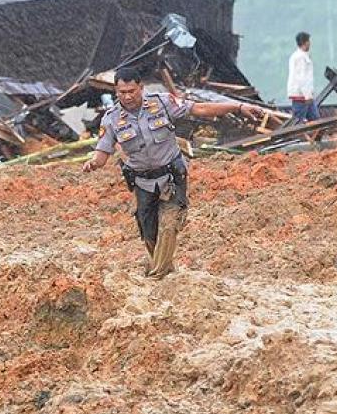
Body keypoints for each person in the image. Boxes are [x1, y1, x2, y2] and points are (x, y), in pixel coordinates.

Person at [82, 67, 263, 278]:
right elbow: (102, 153)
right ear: (116, 91)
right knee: (149, 235)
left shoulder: (162, 103)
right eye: (122, 92)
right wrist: (93, 163)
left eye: (132, 90)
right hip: (142, 181)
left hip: (171, 175)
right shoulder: (111, 119)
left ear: (141, 87)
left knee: (169, 226)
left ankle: (157, 277)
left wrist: (238, 107)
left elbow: (200, 109)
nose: (128, 96)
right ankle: (163, 269)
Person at [286, 31, 318, 123]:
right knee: (298, 121)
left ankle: (316, 137)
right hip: (301, 96)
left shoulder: (300, 56)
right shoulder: (300, 57)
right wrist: (307, 95)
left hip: (305, 95)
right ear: (306, 42)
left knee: (315, 120)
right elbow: (301, 78)